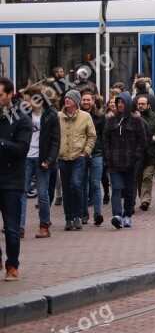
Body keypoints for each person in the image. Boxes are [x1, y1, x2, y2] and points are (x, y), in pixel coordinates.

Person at [0, 77, 33, 281]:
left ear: (10, 95)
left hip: (11, 182)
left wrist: (1, 143)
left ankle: (12, 265)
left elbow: (22, 149)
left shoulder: (22, 119)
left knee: (11, 228)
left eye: (0, 95)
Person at [20, 85, 60, 239]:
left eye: (28, 100)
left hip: (41, 158)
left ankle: (44, 225)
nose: (25, 103)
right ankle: (19, 226)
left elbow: (56, 141)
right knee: (21, 192)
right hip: (25, 157)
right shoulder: (23, 114)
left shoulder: (51, 115)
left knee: (43, 194)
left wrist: (49, 160)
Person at [103, 92, 146, 229]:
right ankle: (117, 215)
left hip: (130, 161)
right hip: (114, 161)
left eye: (122, 102)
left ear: (127, 104)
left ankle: (127, 214)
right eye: (118, 102)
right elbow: (105, 140)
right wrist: (108, 156)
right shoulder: (111, 120)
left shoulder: (136, 120)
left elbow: (142, 140)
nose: (120, 105)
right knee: (116, 188)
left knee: (129, 190)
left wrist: (136, 155)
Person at [57, 89, 96, 231]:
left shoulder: (85, 117)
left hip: (78, 156)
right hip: (62, 157)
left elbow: (92, 136)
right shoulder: (58, 116)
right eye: (66, 98)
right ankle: (68, 218)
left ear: (76, 101)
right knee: (66, 189)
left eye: (70, 98)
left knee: (76, 184)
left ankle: (78, 215)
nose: (67, 100)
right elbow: (54, 136)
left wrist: (85, 152)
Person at [135, 95, 155, 212]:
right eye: (139, 104)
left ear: (148, 105)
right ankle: (141, 196)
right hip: (137, 154)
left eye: (143, 104)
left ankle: (145, 201)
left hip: (150, 153)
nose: (141, 106)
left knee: (147, 176)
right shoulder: (133, 117)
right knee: (138, 178)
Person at [80, 90, 105, 226]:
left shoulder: (100, 117)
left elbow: (104, 135)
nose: (86, 102)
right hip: (80, 155)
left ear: (93, 101)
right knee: (83, 185)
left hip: (96, 154)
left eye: (88, 100)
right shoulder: (77, 116)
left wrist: (103, 151)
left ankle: (97, 213)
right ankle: (84, 214)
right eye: (84, 100)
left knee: (95, 184)